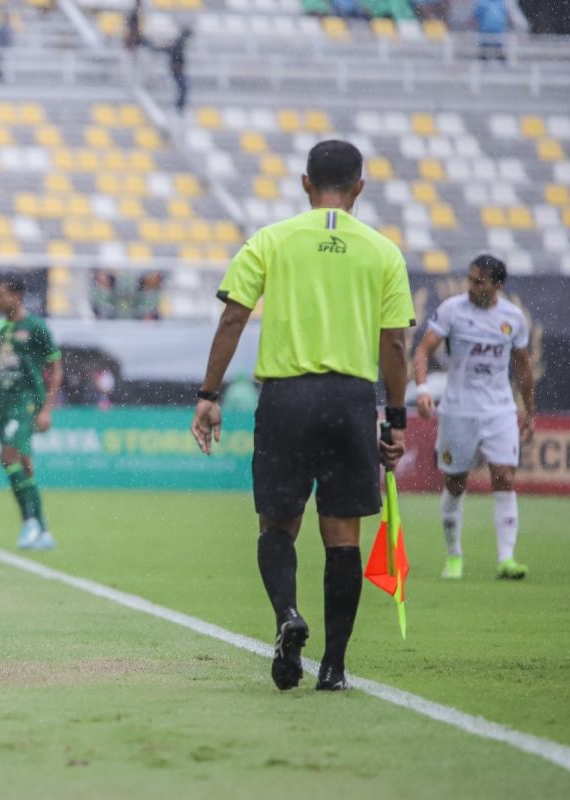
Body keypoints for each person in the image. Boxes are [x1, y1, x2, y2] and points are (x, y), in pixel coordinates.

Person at [191, 140, 415, 692]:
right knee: (343, 535)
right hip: (350, 399)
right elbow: (394, 345)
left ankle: (288, 615)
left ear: (304, 183)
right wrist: (396, 418)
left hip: (287, 398)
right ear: (360, 186)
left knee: (278, 524)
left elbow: (232, 320)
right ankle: (334, 667)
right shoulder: (383, 251)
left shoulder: (272, 240)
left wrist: (209, 393)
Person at [412, 255, 534, 581]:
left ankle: (506, 558)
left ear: (496, 285)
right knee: (455, 482)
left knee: (504, 477)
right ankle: (454, 555)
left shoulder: (512, 318)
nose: (471, 286)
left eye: (478, 281)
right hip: (458, 410)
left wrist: (530, 411)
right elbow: (423, 349)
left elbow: (523, 366)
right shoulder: (453, 310)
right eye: (469, 278)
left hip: (499, 410)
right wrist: (423, 388)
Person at [0, 275, 63, 549]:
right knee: (25, 466)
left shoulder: (35, 327)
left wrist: (46, 409)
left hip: (27, 401)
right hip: (5, 404)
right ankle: (42, 531)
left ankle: (29, 522)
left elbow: (55, 369)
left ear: (16, 296)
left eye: (0, 294)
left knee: (8, 457)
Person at [152, 26, 193, 113]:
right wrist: (176, 65)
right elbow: (170, 51)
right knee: (183, 88)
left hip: (177, 70)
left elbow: (168, 50)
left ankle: (179, 107)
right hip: (177, 71)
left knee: (183, 88)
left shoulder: (179, 43)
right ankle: (178, 108)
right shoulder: (179, 44)